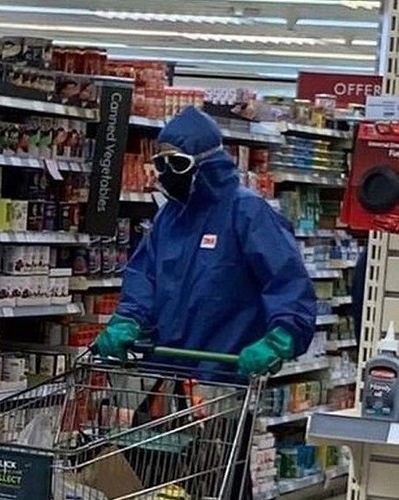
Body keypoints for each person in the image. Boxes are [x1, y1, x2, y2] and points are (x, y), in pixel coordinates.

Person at [95, 106, 317, 377]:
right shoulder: (169, 217)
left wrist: (279, 340)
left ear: (206, 164)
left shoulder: (248, 213)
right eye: (161, 163)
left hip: (223, 374)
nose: (167, 173)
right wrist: (128, 319)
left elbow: (287, 281)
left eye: (177, 163)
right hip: (164, 373)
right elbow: (144, 276)